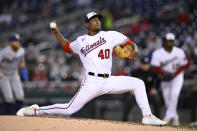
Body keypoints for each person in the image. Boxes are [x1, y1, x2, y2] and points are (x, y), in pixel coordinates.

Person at [16, 12, 166, 126]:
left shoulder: (111, 35)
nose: (97, 21)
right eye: (93, 20)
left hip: (109, 80)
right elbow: (68, 47)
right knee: (69, 110)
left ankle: (147, 116)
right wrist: (56, 32)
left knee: (138, 83)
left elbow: (131, 44)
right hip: (92, 82)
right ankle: (35, 110)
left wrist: (133, 50)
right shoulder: (81, 41)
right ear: (86, 25)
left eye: (98, 19)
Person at [151, 33, 188, 126]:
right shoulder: (158, 53)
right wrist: (162, 74)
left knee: (174, 94)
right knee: (167, 100)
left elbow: (184, 65)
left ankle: (167, 117)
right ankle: (175, 118)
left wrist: (175, 74)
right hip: (165, 77)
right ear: (164, 42)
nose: (170, 43)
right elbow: (155, 66)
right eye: (168, 41)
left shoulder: (179, 51)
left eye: (172, 41)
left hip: (177, 76)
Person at [122, 56, 162, 121]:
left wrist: (155, 88)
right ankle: (124, 120)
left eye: (147, 64)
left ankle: (158, 120)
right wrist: (131, 89)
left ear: (149, 64)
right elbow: (128, 81)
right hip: (137, 94)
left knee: (156, 99)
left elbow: (159, 80)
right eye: (144, 64)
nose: (145, 66)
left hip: (148, 93)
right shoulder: (135, 72)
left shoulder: (153, 72)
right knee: (129, 99)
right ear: (141, 64)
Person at [0, 34, 28, 115]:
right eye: (15, 41)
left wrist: (24, 73)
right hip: (4, 75)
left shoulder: (21, 50)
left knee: (20, 95)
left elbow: (22, 62)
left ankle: (20, 114)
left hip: (14, 74)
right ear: (10, 42)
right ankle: (9, 115)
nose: (17, 43)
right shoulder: (4, 52)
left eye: (18, 41)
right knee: (9, 97)